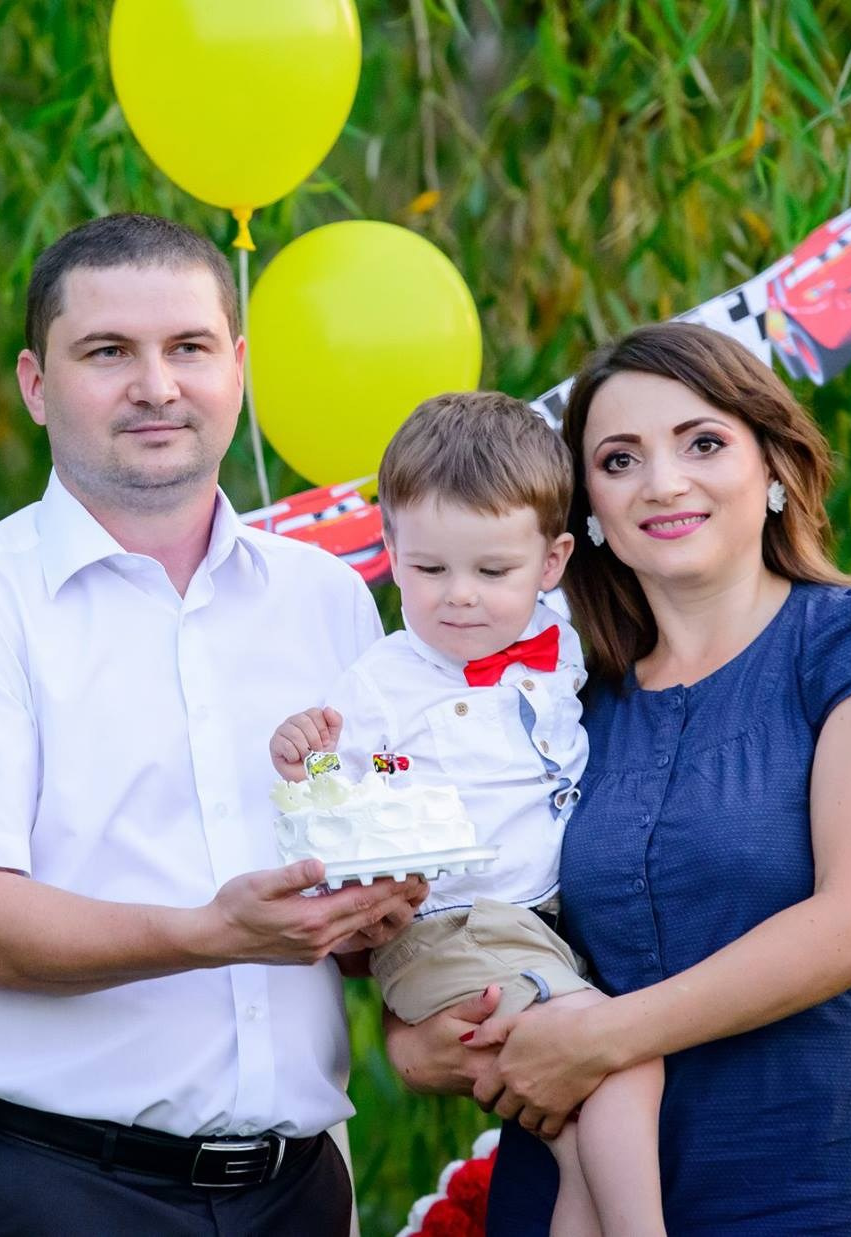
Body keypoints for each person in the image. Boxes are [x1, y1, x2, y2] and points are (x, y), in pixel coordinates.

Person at [0, 212, 427, 1236]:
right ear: (36, 384)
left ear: (237, 367)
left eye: (188, 349)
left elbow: (349, 860)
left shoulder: (328, 597)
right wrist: (213, 934)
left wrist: (372, 917)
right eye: (108, 352)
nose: (157, 386)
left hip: (295, 1191)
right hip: (54, 1188)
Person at [385, 322, 851, 1233]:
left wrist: (603, 1038)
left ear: (772, 465)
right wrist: (421, 1040)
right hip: (566, 1195)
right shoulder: (567, 702)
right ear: (585, 519)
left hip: (792, 1189)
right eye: (619, 460)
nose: (662, 482)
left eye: (703, 442)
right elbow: (473, 901)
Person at [269, 392, 665, 1237]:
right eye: (429, 569)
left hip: (536, 926)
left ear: (553, 560)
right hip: (452, 926)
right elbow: (348, 783)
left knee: (579, 1140)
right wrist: (311, 753)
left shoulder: (561, 641)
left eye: (493, 572)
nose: (459, 598)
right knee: (626, 1066)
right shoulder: (381, 683)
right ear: (390, 550)